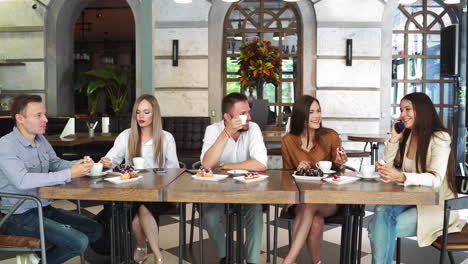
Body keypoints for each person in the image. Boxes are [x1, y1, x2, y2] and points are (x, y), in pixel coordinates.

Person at [0, 94, 102, 264]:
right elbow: (22, 181)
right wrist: (70, 173)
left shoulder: (41, 140)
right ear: (20, 118)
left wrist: (82, 164)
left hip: (45, 209)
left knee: (95, 230)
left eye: (44, 114)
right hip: (17, 216)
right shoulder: (5, 146)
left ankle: (35, 259)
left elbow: (56, 164)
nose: (45, 119)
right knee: (78, 241)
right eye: (38, 115)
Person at [368, 92, 466, 264]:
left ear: (421, 110)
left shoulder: (440, 137)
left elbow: (435, 178)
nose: (402, 115)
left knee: (378, 227)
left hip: (436, 205)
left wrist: (402, 176)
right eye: (400, 110)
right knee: (382, 213)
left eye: (407, 109)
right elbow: (388, 165)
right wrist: (394, 138)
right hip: (410, 198)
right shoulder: (408, 135)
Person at [100, 94, 179, 264]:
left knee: (141, 214)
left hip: (159, 192)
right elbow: (111, 159)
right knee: (136, 221)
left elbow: (174, 170)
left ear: (155, 114)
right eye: (138, 112)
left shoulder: (166, 138)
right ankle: (146, 249)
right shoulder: (126, 135)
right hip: (132, 191)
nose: (141, 116)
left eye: (146, 112)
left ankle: (155, 254)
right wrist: (106, 162)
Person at [201, 92, 267, 264]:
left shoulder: (253, 129)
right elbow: (207, 164)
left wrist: (226, 166)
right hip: (219, 192)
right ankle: (225, 256)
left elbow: (261, 163)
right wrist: (226, 133)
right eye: (243, 114)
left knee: (256, 210)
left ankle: (252, 261)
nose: (249, 117)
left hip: (248, 192)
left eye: (249, 112)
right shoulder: (212, 130)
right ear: (227, 117)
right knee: (209, 215)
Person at [281, 95, 348, 264]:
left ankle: (289, 261)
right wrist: (298, 170)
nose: (317, 116)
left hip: (328, 199)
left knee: (310, 205)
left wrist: (340, 164)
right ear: (300, 115)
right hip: (300, 198)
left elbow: (339, 171)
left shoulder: (331, 136)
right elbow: (286, 175)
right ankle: (316, 262)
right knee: (315, 220)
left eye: (318, 111)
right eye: (311, 112)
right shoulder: (288, 140)